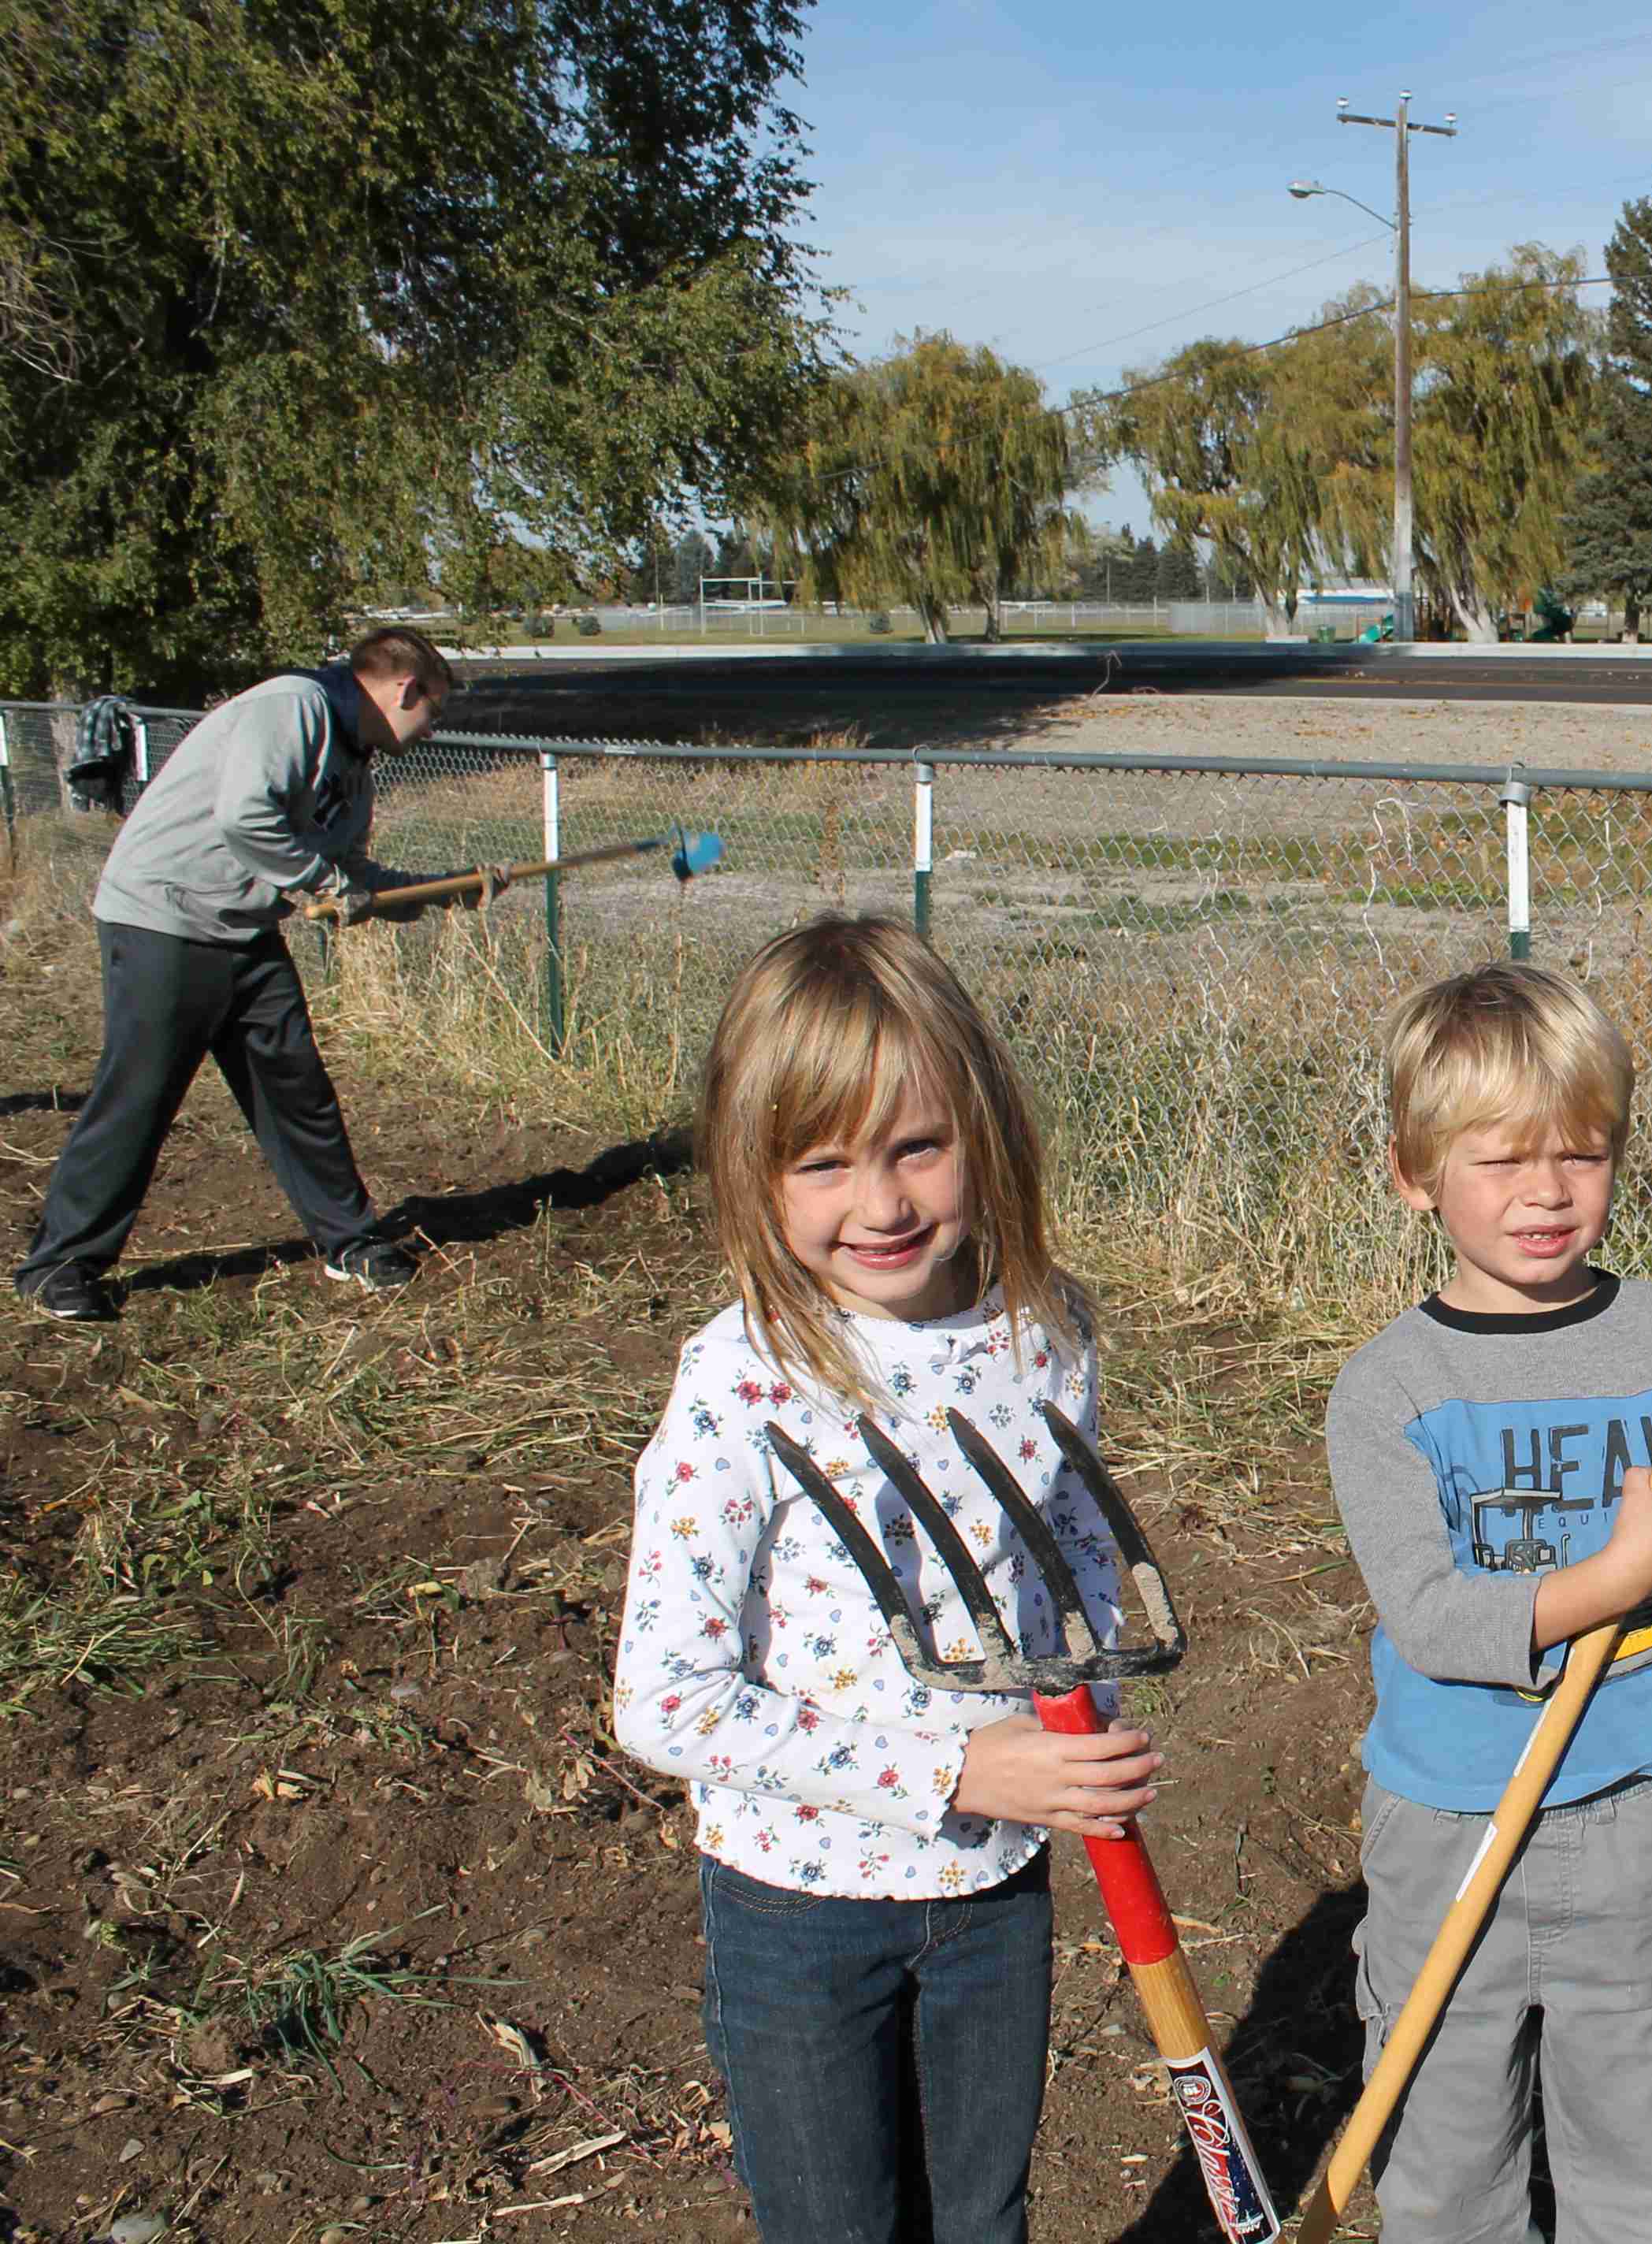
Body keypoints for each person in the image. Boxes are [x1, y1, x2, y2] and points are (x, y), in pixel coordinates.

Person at [611, 916, 1164, 2244]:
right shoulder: (741, 1381)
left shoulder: (1046, 1330)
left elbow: (1072, 1553)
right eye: (824, 1163)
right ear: (756, 1171)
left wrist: (1079, 1709)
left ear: (986, 1128)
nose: (882, 1203)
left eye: (918, 1146)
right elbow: (665, 1700)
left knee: (982, 2213)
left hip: (993, 1890)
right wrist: (955, 1768)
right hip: (798, 1899)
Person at [1328, 960, 1652, 2244]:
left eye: (1580, 1154)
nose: (1546, 1191)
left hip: (1626, 1807)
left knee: (1632, 2108)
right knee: (1442, 2127)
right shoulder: (1391, 1388)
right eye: (1500, 1158)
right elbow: (1435, 1619)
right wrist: (1611, 1574)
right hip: (1451, 1817)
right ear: (1411, 1171)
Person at [14, 626, 503, 1317]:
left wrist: (442, 890)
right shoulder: (294, 707)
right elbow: (247, 817)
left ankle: (350, 1241)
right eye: (435, 712)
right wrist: (326, 882)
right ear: (407, 689)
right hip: (163, 914)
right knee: (141, 1092)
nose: (432, 730)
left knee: (296, 1088)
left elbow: (354, 880)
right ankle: (59, 1264)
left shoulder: (354, 765)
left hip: (243, 928)